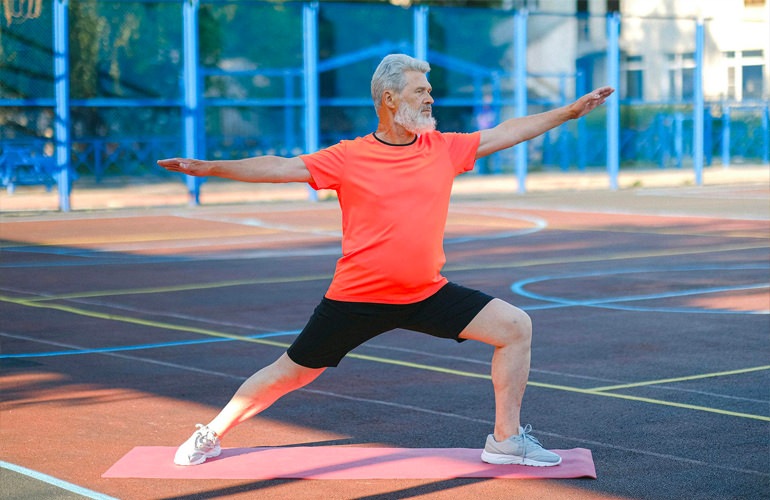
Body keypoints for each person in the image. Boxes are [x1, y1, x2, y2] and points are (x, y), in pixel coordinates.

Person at [158, 54, 613, 468]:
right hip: (357, 298)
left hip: (425, 292)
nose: (430, 98)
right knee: (290, 373)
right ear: (390, 99)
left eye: (430, 91)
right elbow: (280, 166)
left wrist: (569, 111)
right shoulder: (349, 157)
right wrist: (211, 168)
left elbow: (508, 131)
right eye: (421, 91)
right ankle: (212, 432)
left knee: (515, 327)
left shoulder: (444, 149)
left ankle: (505, 440)